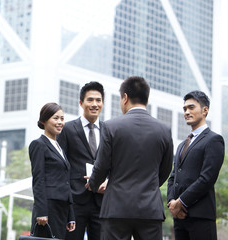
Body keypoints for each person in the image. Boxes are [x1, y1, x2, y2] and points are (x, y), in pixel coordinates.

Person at [86, 76, 173, 239]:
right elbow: (166, 168)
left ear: (125, 98)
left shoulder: (111, 126)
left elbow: (102, 165)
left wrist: (93, 183)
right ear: (146, 99)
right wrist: (150, 185)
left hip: (116, 207)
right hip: (150, 209)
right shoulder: (164, 130)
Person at [167, 90, 225, 240]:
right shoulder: (181, 145)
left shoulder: (214, 140)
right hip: (180, 218)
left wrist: (181, 202)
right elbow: (174, 177)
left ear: (205, 110)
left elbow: (207, 178)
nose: (186, 112)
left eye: (191, 107)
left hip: (201, 217)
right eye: (185, 109)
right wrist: (172, 204)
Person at [57, 81, 106, 240]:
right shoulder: (67, 129)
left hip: (102, 203)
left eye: (98, 100)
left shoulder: (110, 131)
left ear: (102, 103)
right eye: (90, 100)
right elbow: (60, 167)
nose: (94, 104)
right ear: (81, 103)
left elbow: (117, 164)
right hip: (75, 202)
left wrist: (108, 181)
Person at [29, 102, 76, 239]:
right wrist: (41, 211)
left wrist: (70, 215)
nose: (60, 122)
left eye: (62, 118)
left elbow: (66, 182)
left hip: (62, 209)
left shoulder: (59, 147)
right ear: (44, 120)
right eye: (56, 118)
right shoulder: (38, 144)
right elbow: (38, 179)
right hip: (48, 209)